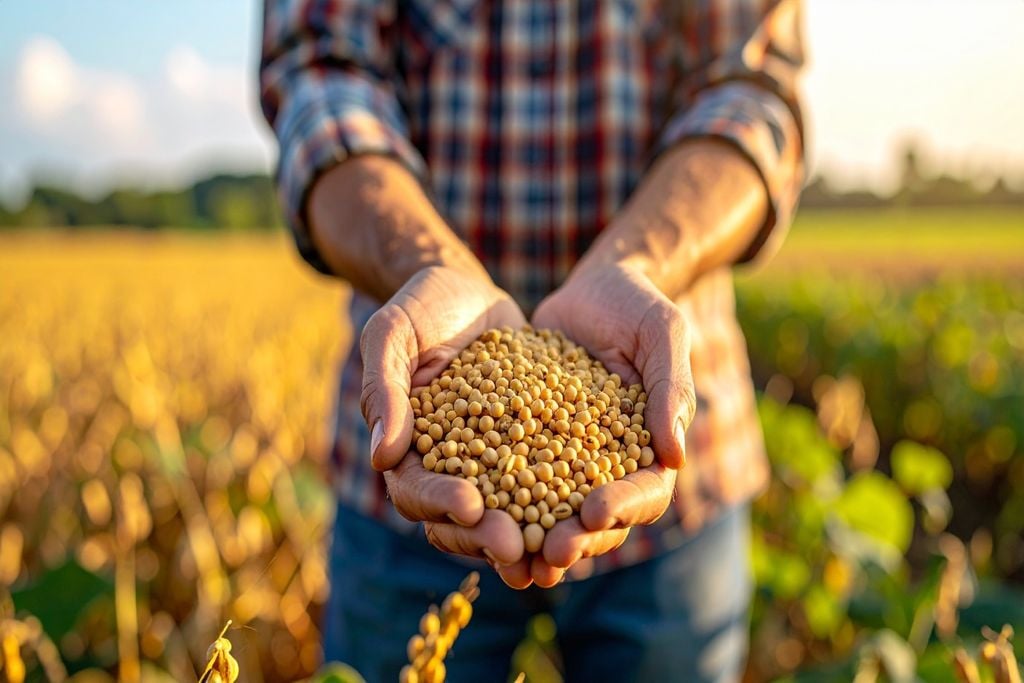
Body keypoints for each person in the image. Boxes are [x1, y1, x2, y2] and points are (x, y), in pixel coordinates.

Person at [260, 0, 804, 680]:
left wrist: (636, 264)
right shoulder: (456, 420)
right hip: (410, 444)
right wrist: (426, 265)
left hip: (683, 470)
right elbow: (321, 72)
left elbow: (749, 89)